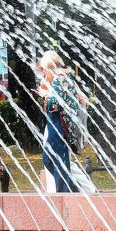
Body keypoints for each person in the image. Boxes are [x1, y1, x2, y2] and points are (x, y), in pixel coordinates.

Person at [35, 51, 82, 193]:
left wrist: (44, 95)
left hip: (59, 125)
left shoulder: (59, 79)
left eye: (44, 70)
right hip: (56, 124)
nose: (43, 74)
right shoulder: (61, 79)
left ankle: (65, 193)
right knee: (51, 159)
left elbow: (54, 104)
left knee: (57, 161)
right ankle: (71, 188)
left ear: (50, 68)